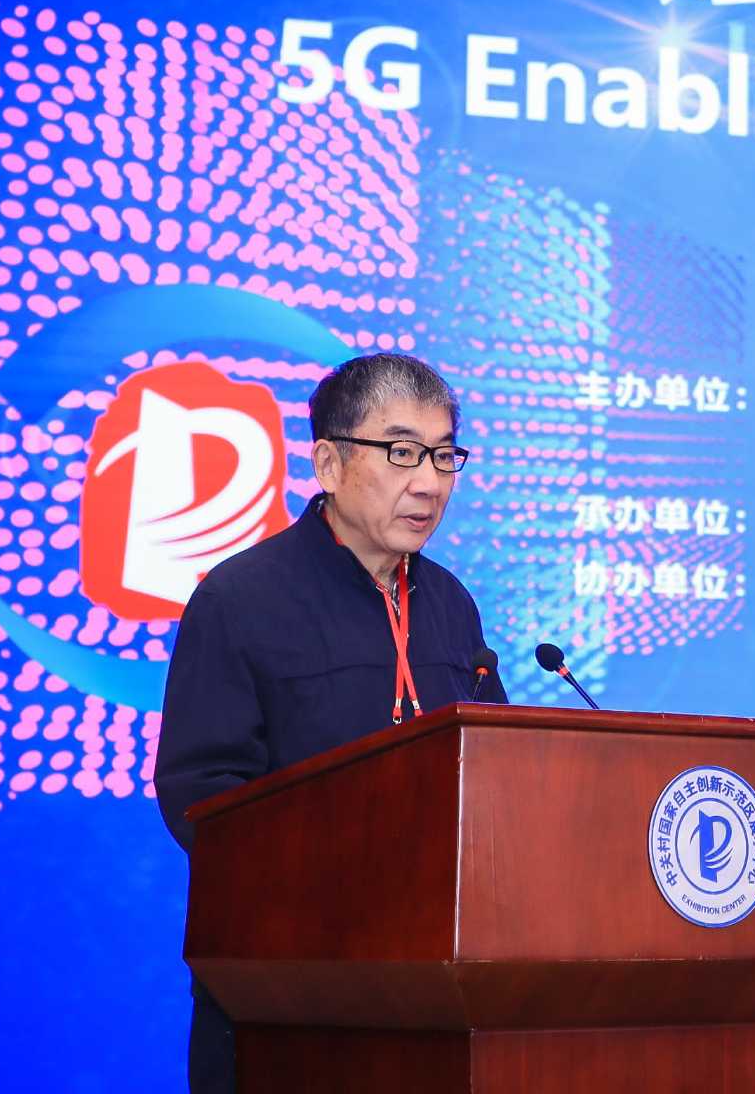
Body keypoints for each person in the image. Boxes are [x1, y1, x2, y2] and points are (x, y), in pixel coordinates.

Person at [153, 352, 506, 1093]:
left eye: (444, 456)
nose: (430, 482)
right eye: (402, 452)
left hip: (434, 992)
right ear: (329, 464)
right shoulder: (241, 600)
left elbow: (496, 771)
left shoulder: (451, 603)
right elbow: (201, 792)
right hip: (286, 993)